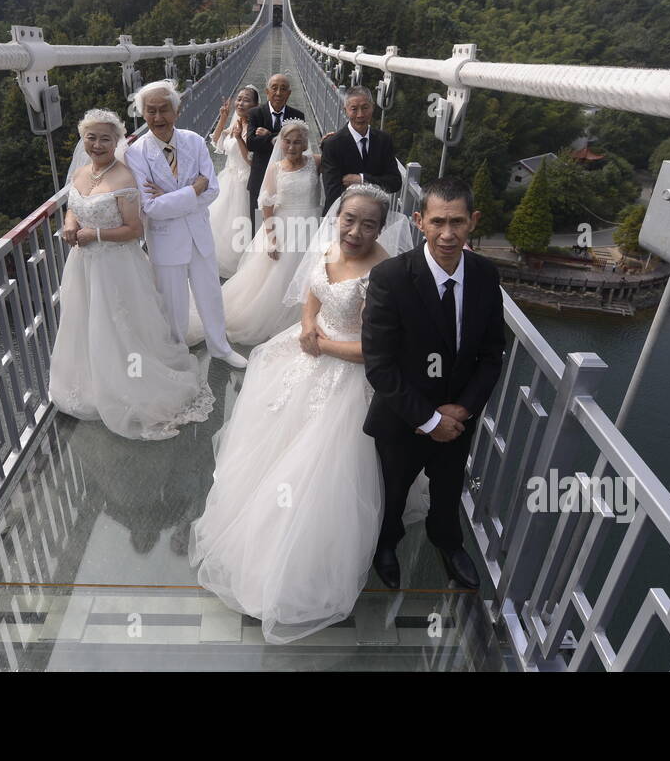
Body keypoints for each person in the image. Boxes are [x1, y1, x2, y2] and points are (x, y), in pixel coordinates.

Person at [189, 185, 414, 643]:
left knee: (320, 464)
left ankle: (299, 564)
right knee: (270, 441)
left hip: (348, 372)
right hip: (310, 350)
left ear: (381, 227)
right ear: (338, 215)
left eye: (368, 224)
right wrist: (309, 327)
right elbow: (314, 292)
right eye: (349, 219)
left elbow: (377, 351)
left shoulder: (385, 273)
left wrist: (323, 345)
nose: (355, 231)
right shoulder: (330, 244)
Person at [362, 176, 509, 591]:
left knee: (448, 489)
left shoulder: (484, 274)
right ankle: (386, 545)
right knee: (392, 491)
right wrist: (428, 419)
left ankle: (447, 542)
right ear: (418, 221)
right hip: (402, 418)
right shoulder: (390, 277)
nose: (448, 234)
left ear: (473, 222)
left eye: (458, 222)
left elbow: (492, 353)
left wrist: (462, 409)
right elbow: (380, 365)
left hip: (458, 418)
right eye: (438, 221)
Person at [48, 108, 214, 439]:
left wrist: (92, 235)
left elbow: (134, 230)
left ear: (117, 142)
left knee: (117, 327)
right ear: (83, 139)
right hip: (83, 266)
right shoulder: (81, 174)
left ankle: (126, 385)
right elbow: (72, 207)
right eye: (91, 137)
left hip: (116, 267)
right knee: (86, 321)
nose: (96, 145)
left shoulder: (124, 178)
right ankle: (93, 381)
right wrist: (69, 224)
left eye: (105, 139)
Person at [124, 80, 248, 369]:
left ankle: (220, 347)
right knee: (173, 303)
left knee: (211, 295)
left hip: (200, 234)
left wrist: (172, 198)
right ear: (143, 114)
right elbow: (151, 208)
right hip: (165, 240)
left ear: (176, 111)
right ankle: (177, 353)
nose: (157, 118)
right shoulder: (136, 153)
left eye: (163, 109)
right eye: (150, 111)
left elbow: (213, 189)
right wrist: (193, 191)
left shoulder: (194, 140)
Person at [205, 120, 323, 347]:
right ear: (281, 143)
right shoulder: (275, 168)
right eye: (287, 142)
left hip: (311, 227)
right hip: (283, 227)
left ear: (305, 143)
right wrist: (271, 238)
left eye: (298, 142)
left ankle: (306, 319)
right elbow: (266, 205)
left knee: (308, 274)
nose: (292, 146)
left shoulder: (315, 162)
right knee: (277, 277)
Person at [320, 85, 402, 214]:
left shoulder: (384, 140)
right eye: (354, 109)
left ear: (373, 107)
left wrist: (362, 180)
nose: (360, 114)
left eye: (365, 108)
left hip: (374, 218)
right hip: (340, 215)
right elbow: (332, 192)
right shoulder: (332, 144)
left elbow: (395, 182)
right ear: (345, 110)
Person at [206, 85, 258, 277]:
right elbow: (217, 143)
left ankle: (241, 265)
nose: (240, 103)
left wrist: (239, 139)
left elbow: (252, 161)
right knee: (219, 220)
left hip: (244, 182)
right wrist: (223, 116)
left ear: (255, 105)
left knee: (239, 224)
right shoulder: (236, 122)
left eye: (246, 100)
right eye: (239, 99)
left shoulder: (255, 127)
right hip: (228, 177)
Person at [245, 73, 306, 229]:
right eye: (274, 88)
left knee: (285, 227)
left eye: (283, 89)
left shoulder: (297, 116)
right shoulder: (255, 113)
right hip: (260, 177)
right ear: (267, 91)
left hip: (288, 180)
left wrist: (269, 136)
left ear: (289, 93)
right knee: (259, 226)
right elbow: (251, 143)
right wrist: (281, 137)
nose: (279, 93)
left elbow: (299, 146)